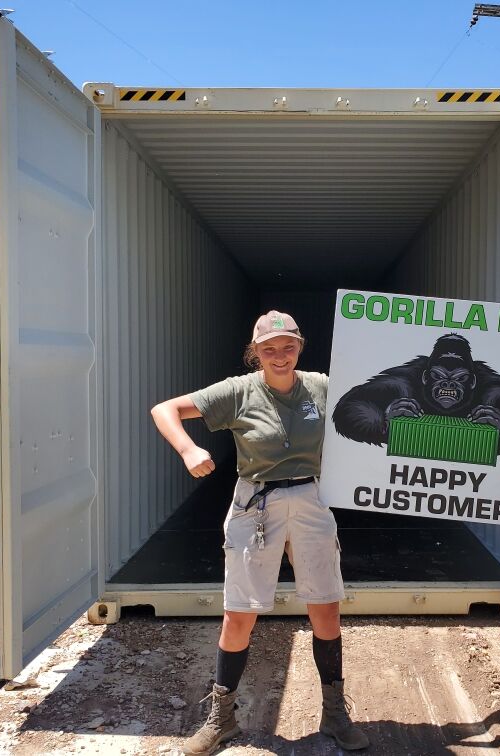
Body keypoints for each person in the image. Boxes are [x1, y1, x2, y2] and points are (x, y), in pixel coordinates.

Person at [150, 310, 369, 755]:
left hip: (311, 497)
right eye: (269, 349)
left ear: (300, 347)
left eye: (288, 347)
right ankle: (222, 717)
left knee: (326, 610)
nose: (280, 356)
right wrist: (188, 449)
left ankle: (334, 713)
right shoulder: (238, 391)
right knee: (239, 615)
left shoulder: (321, 387)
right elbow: (165, 409)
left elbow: (380, 405)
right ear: (256, 353)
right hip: (256, 503)